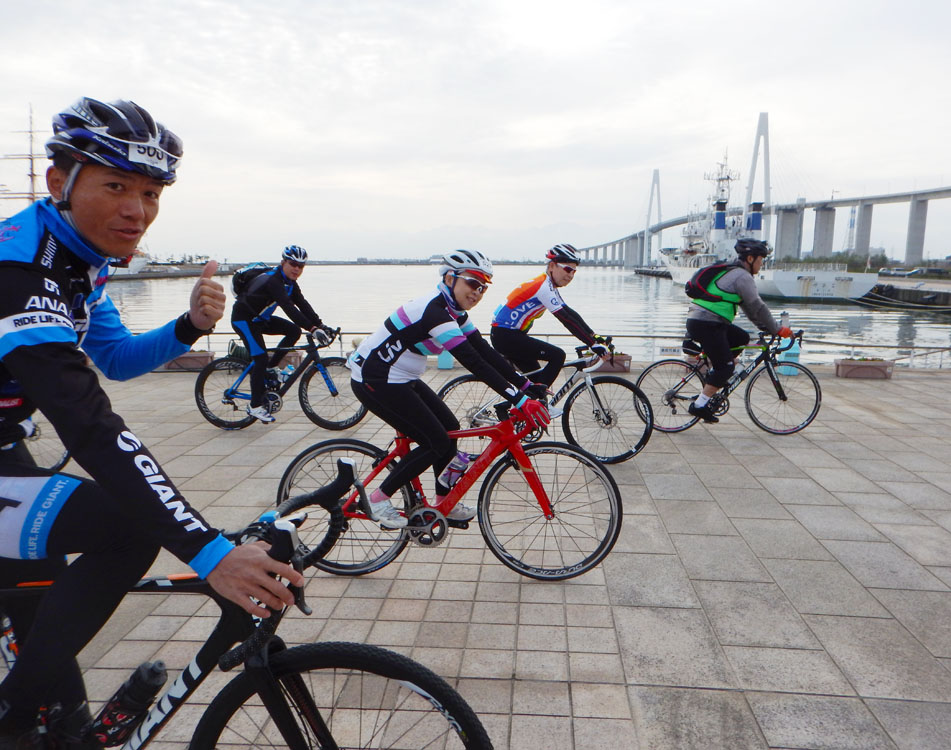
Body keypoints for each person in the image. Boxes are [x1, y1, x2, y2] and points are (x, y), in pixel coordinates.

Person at [0, 97, 303, 748]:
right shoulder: (20, 268)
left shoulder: (79, 262)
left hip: (6, 449)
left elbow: (116, 359)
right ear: (60, 182)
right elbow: (89, 424)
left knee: (42, 611)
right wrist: (210, 551)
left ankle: (46, 721)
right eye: (116, 186)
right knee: (126, 527)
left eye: (151, 193)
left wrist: (189, 326)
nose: (137, 210)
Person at [349, 249, 550, 529]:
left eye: (483, 287)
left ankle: (444, 500)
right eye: (472, 282)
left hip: (400, 377)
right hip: (374, 378)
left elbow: (484, 351)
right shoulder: (434, 312)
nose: (477, 292)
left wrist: (526, 385)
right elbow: (472, 361)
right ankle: (378, 499)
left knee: (450, 428)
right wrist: (518, 399)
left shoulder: (453, 311)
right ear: (449, 278)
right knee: (435, 441)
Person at [685, 238, 794, 423]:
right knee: (726, 367)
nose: (762, 264)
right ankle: (699, 405)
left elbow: (750, 310)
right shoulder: (742, 276)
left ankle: (715, 377)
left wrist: (765, 327)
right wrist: (777, 329)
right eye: (761, 259)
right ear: (750, 259)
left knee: (741, 337)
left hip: (706, 321)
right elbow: (758, 306)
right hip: (708, 323)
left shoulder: (733, 273)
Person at [231, 245, 334, 423]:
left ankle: (270, 368)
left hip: (260, 320)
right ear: (283, 262)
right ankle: (255, 406)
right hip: (243, 320)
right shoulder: (274, 281)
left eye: (301, 266)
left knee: (293, 331)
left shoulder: (290, 284)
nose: (296, 269)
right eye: (293, 264)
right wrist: (312, 329)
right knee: (260, 358)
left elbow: (302, 305)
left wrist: (320, 325)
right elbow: (288, 307)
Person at [490, 244, 607, 399]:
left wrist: (593, 336)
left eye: (574, 271)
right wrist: (592, 344)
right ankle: (536, 402)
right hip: (506, 336)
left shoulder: (548, 285)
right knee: (557, 356)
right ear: (552, 266)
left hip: (509, 335)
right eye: (567, 269)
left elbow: (569, 313)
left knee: (537, 381)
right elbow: (565, 319)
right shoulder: (543, 287)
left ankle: (527, 406)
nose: (571, 275)